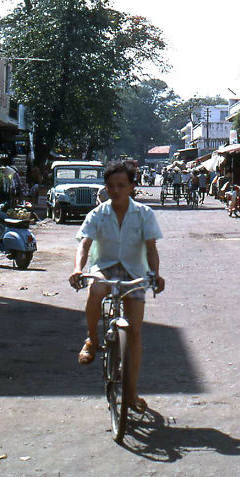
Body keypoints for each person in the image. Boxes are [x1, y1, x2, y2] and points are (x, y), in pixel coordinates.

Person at [69, 160, 165, 413]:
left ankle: (131, 394)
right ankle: (91, 338)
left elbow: (151, 249)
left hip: (134, 271)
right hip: (105, 267)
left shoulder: (144, 214)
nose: (116, 191)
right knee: (97, 288)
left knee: (134, 334)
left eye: (122, 185)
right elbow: (84, 244)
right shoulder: (97, 214)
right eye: (111, 186)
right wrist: (78, 269)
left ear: (132, 186)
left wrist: (155, 274)